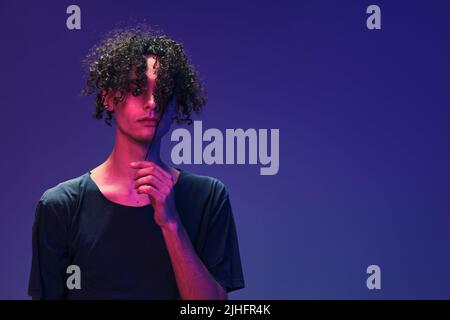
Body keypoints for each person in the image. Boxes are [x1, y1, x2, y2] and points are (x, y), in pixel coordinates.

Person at [28, 25, 245, 300]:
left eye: (163, 91)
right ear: (108, 97)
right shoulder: (61, 205)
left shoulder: (208, 197)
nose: (152, 102)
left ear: (177, 102)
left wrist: (171, 223)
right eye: (136, 89)